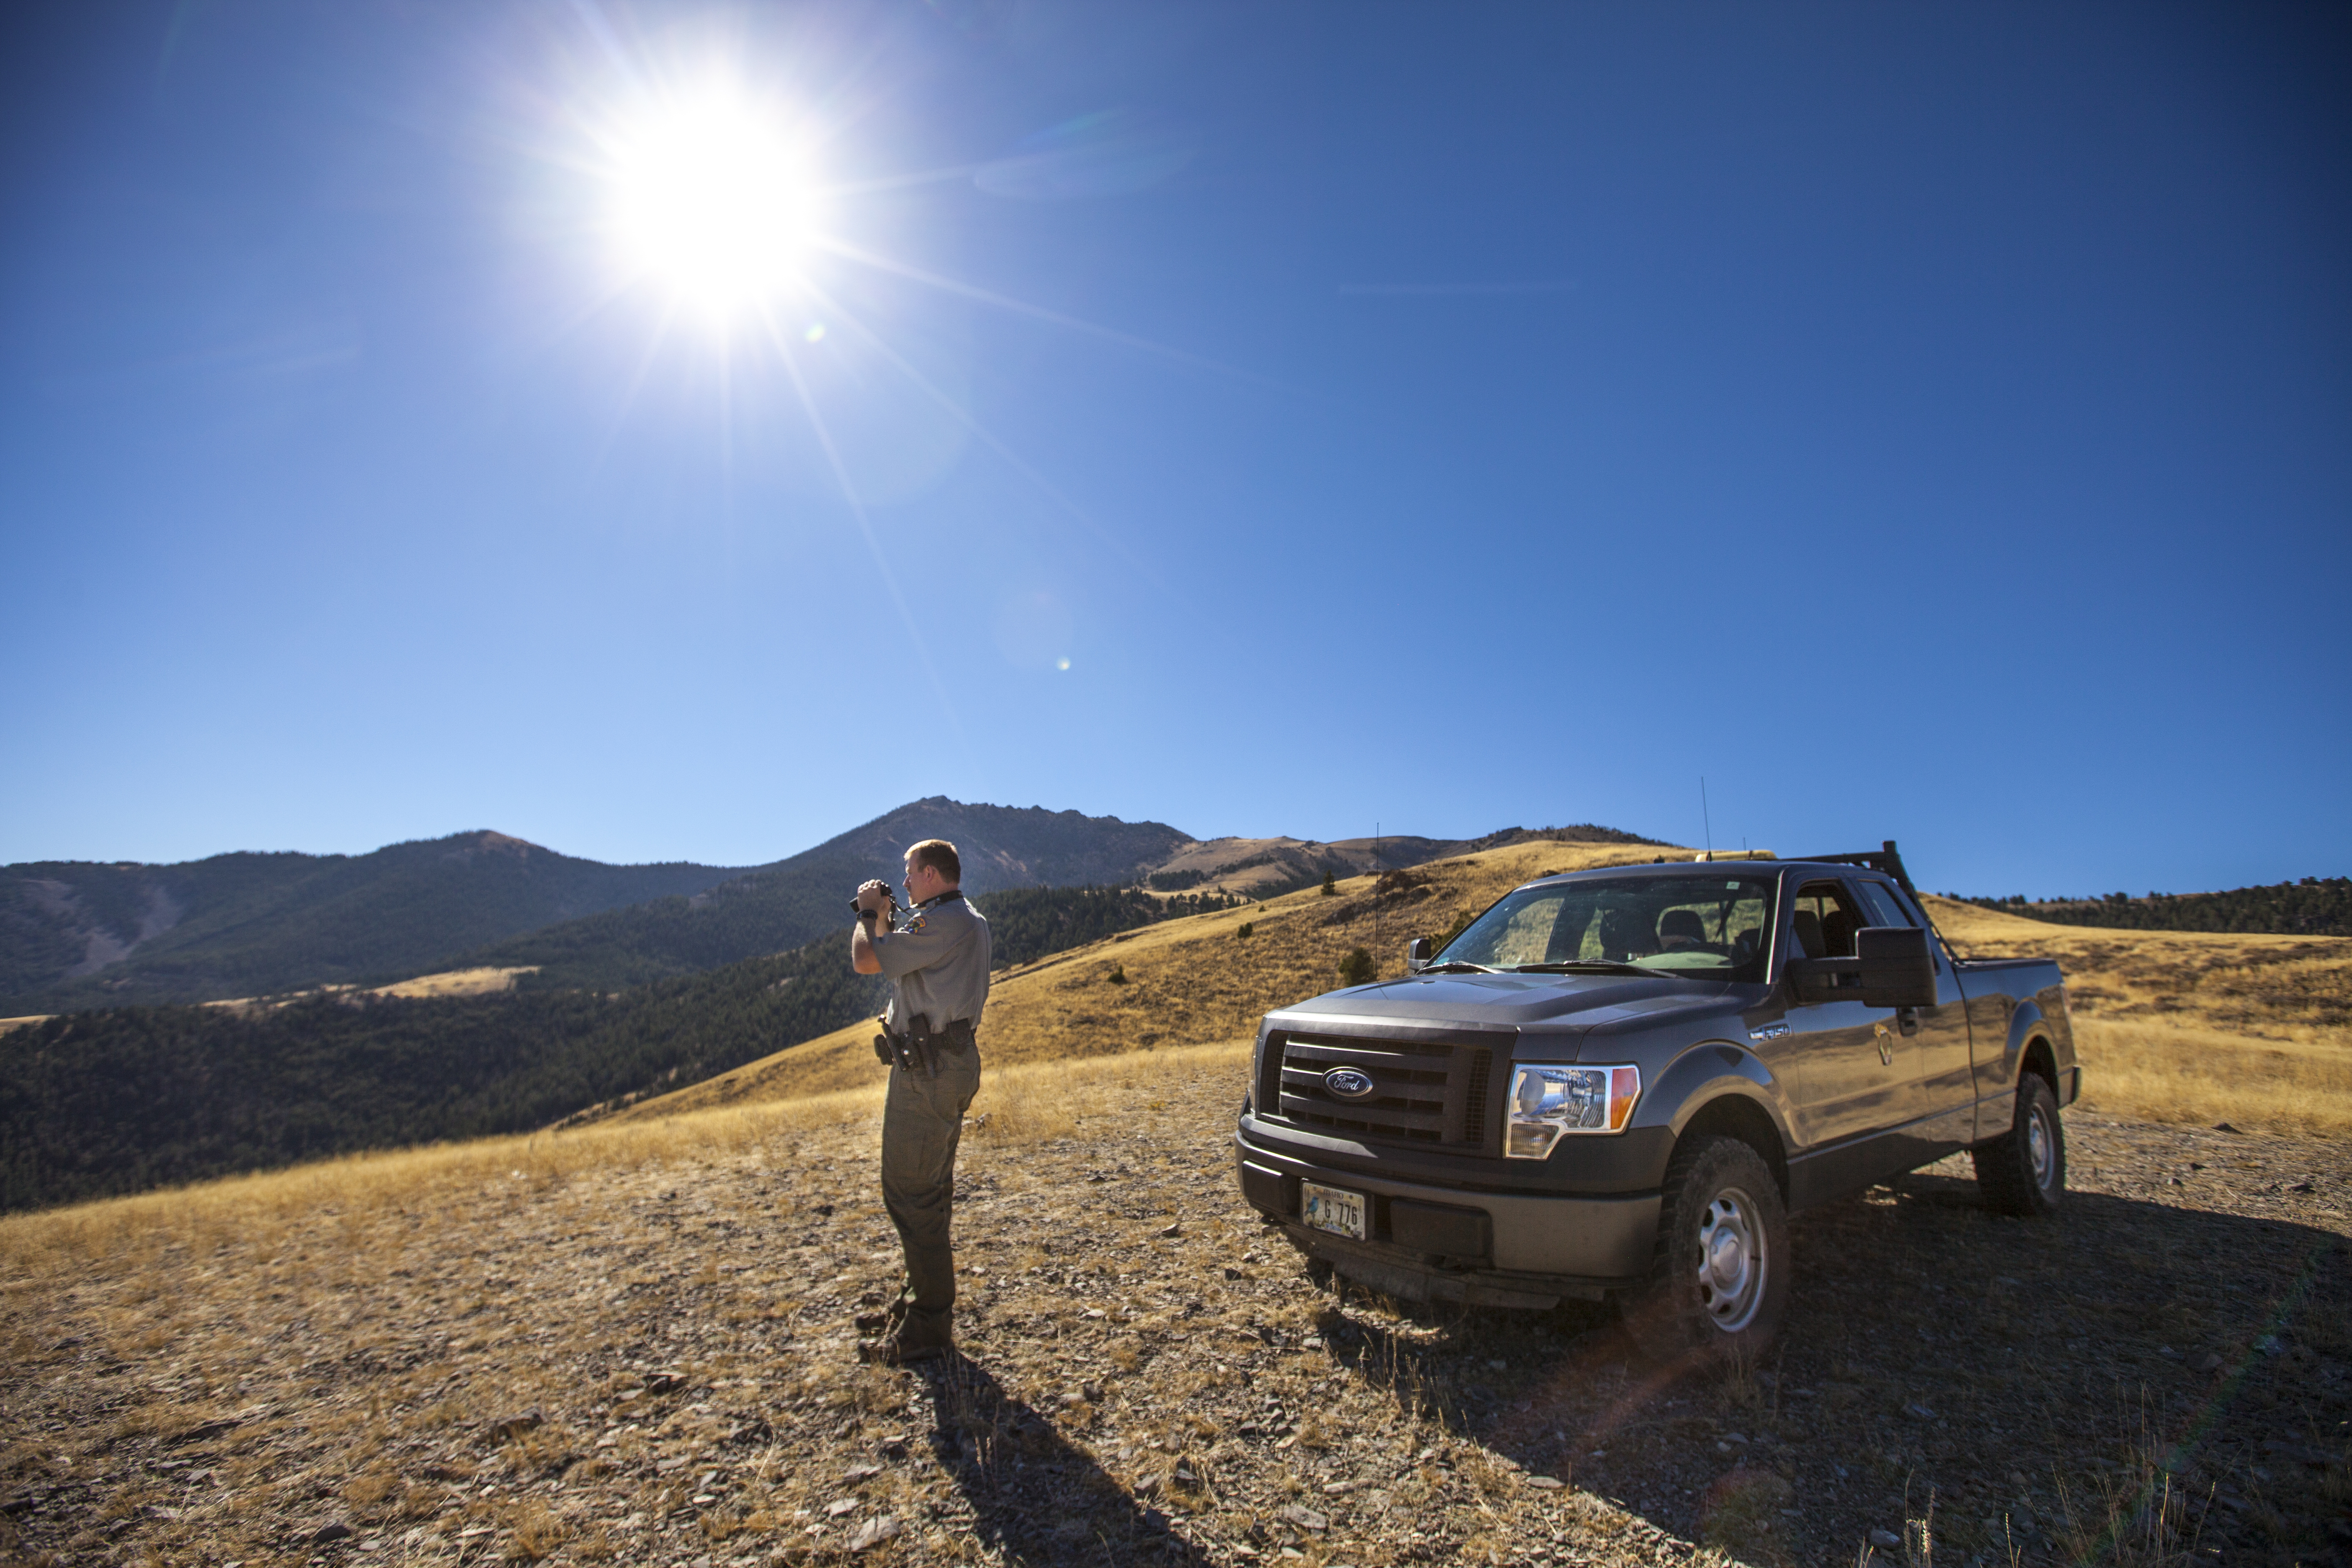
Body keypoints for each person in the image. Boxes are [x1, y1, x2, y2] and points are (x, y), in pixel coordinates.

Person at [848, 838, 991, 1364]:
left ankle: (928, 1325)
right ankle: (917, 1304)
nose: (904, 883)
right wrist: (888, 919)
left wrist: (868, 913)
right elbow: (898, 962)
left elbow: (869, 960)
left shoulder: (945, 923)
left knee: (911, 1193)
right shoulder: (958, 920)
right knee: (927, 1190)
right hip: (940, 1064)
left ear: (932, 874)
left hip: (929, 1072)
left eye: (910, 874)